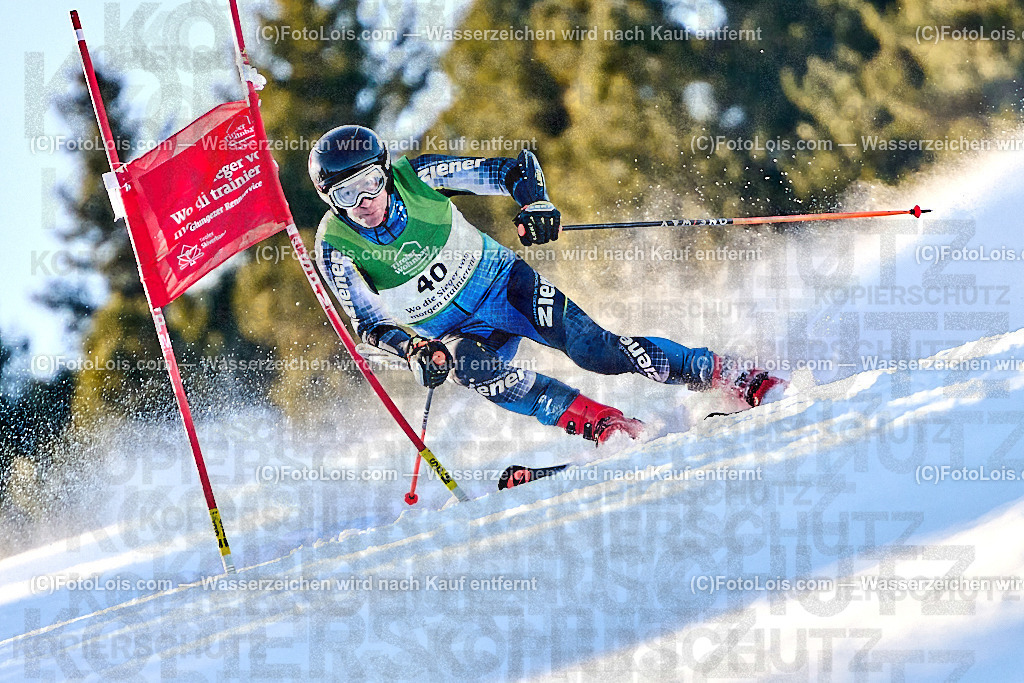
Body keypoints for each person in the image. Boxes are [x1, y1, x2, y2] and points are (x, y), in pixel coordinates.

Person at [309, 125, 784, 445]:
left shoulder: (421, 177)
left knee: (596, 351)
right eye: (346, 195)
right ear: (330, 200)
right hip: (456, 332)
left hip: (504, 287)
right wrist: (413, 350)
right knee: (473, 371)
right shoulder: (335, 245)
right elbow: (368, 324)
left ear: (385, 170)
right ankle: (601, 423)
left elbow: (512, 170)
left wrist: (535, 204)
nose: (365, 201)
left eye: (371, 182)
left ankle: (728, 374)